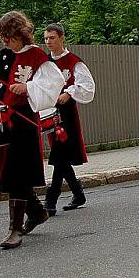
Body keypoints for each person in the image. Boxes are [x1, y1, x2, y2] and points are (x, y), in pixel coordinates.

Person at [0, 11, 64, 249]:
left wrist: (27, 87)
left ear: (20, 33)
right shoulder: (1, 55)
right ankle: (36, 212)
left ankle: (15, 228)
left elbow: (54, 84)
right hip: (2, 120)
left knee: (16, 171)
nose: (5, 41)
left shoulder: (37, 55)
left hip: (23, 120)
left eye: (9, 36)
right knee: (10, 171)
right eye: (2, 37)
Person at [42, 23, 95, 216]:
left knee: (59, 155)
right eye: (46, 38)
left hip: (67, 116)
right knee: (60, 156)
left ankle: (50, 200)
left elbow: (87, 87)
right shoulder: (44, 62)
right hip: (49, 114)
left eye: (52, 38)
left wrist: (70, 93)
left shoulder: (73, 61)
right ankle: (78, 193)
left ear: (62, 37)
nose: (48, 42)